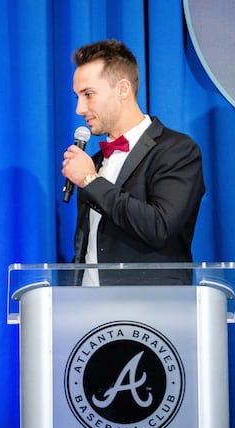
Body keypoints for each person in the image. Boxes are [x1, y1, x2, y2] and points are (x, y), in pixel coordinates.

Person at [61, 39, 206, 285]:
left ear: (123, 89)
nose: (79, 108)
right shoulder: (96, 161)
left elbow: (159, 226)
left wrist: (90, 181)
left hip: (150, 312)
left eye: (88, 94)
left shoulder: (177, 150)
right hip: (88, 313)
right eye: (77, 96)